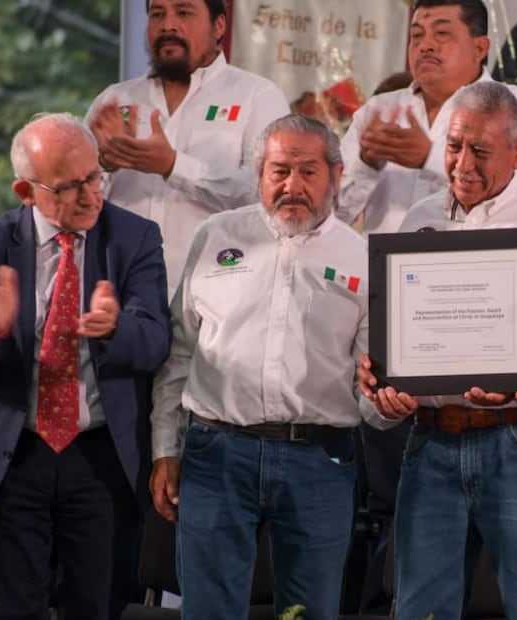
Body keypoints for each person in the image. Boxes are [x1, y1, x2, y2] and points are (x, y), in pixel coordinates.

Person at [360, 81, 517, 619]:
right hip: (431, 440)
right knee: (419, 610)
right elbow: (391, 339)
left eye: (481, 150)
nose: (463, 164)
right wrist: (382, 386)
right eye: (453, 146)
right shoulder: (420, 216)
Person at [149, 114, 397, 620]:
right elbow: (179, 354)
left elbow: (371, 384)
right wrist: (165, 450)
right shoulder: (215, 236)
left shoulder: (366, 259)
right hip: (215, 453)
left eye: (308, 172)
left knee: (309, 612)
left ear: (336, 176)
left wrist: (388, 405)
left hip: (320, 459)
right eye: (279, 171)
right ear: (259, 174)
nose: (292, 186)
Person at [0, 112, 171, 619]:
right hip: (13, 456)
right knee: (14, 609)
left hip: (100, 458)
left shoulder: (134, 238)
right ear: (26, 191)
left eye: (95, 177)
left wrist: (115, 329)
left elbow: (156, 342)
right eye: (70, 187)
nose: (91, 196)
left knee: (96, 607)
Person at [87, 0, 289, 293]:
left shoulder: (258, 97)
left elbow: (268, 199)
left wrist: (174, 166)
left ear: (219, 25)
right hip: (119, 297)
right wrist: (105, 165)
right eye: (157, 14)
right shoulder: (114, 100)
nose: (168, 25)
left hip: (218, 299)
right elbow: (73, 206)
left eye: (184, 13)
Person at [337, 0, 517, 235]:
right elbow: (333, 218)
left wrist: (431, 157)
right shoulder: (379, 111)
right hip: (385, 258)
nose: (425, 45)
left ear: (480, 48)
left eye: (442, 33)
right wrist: (366, 166)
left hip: (484, 256)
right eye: (416, 35)